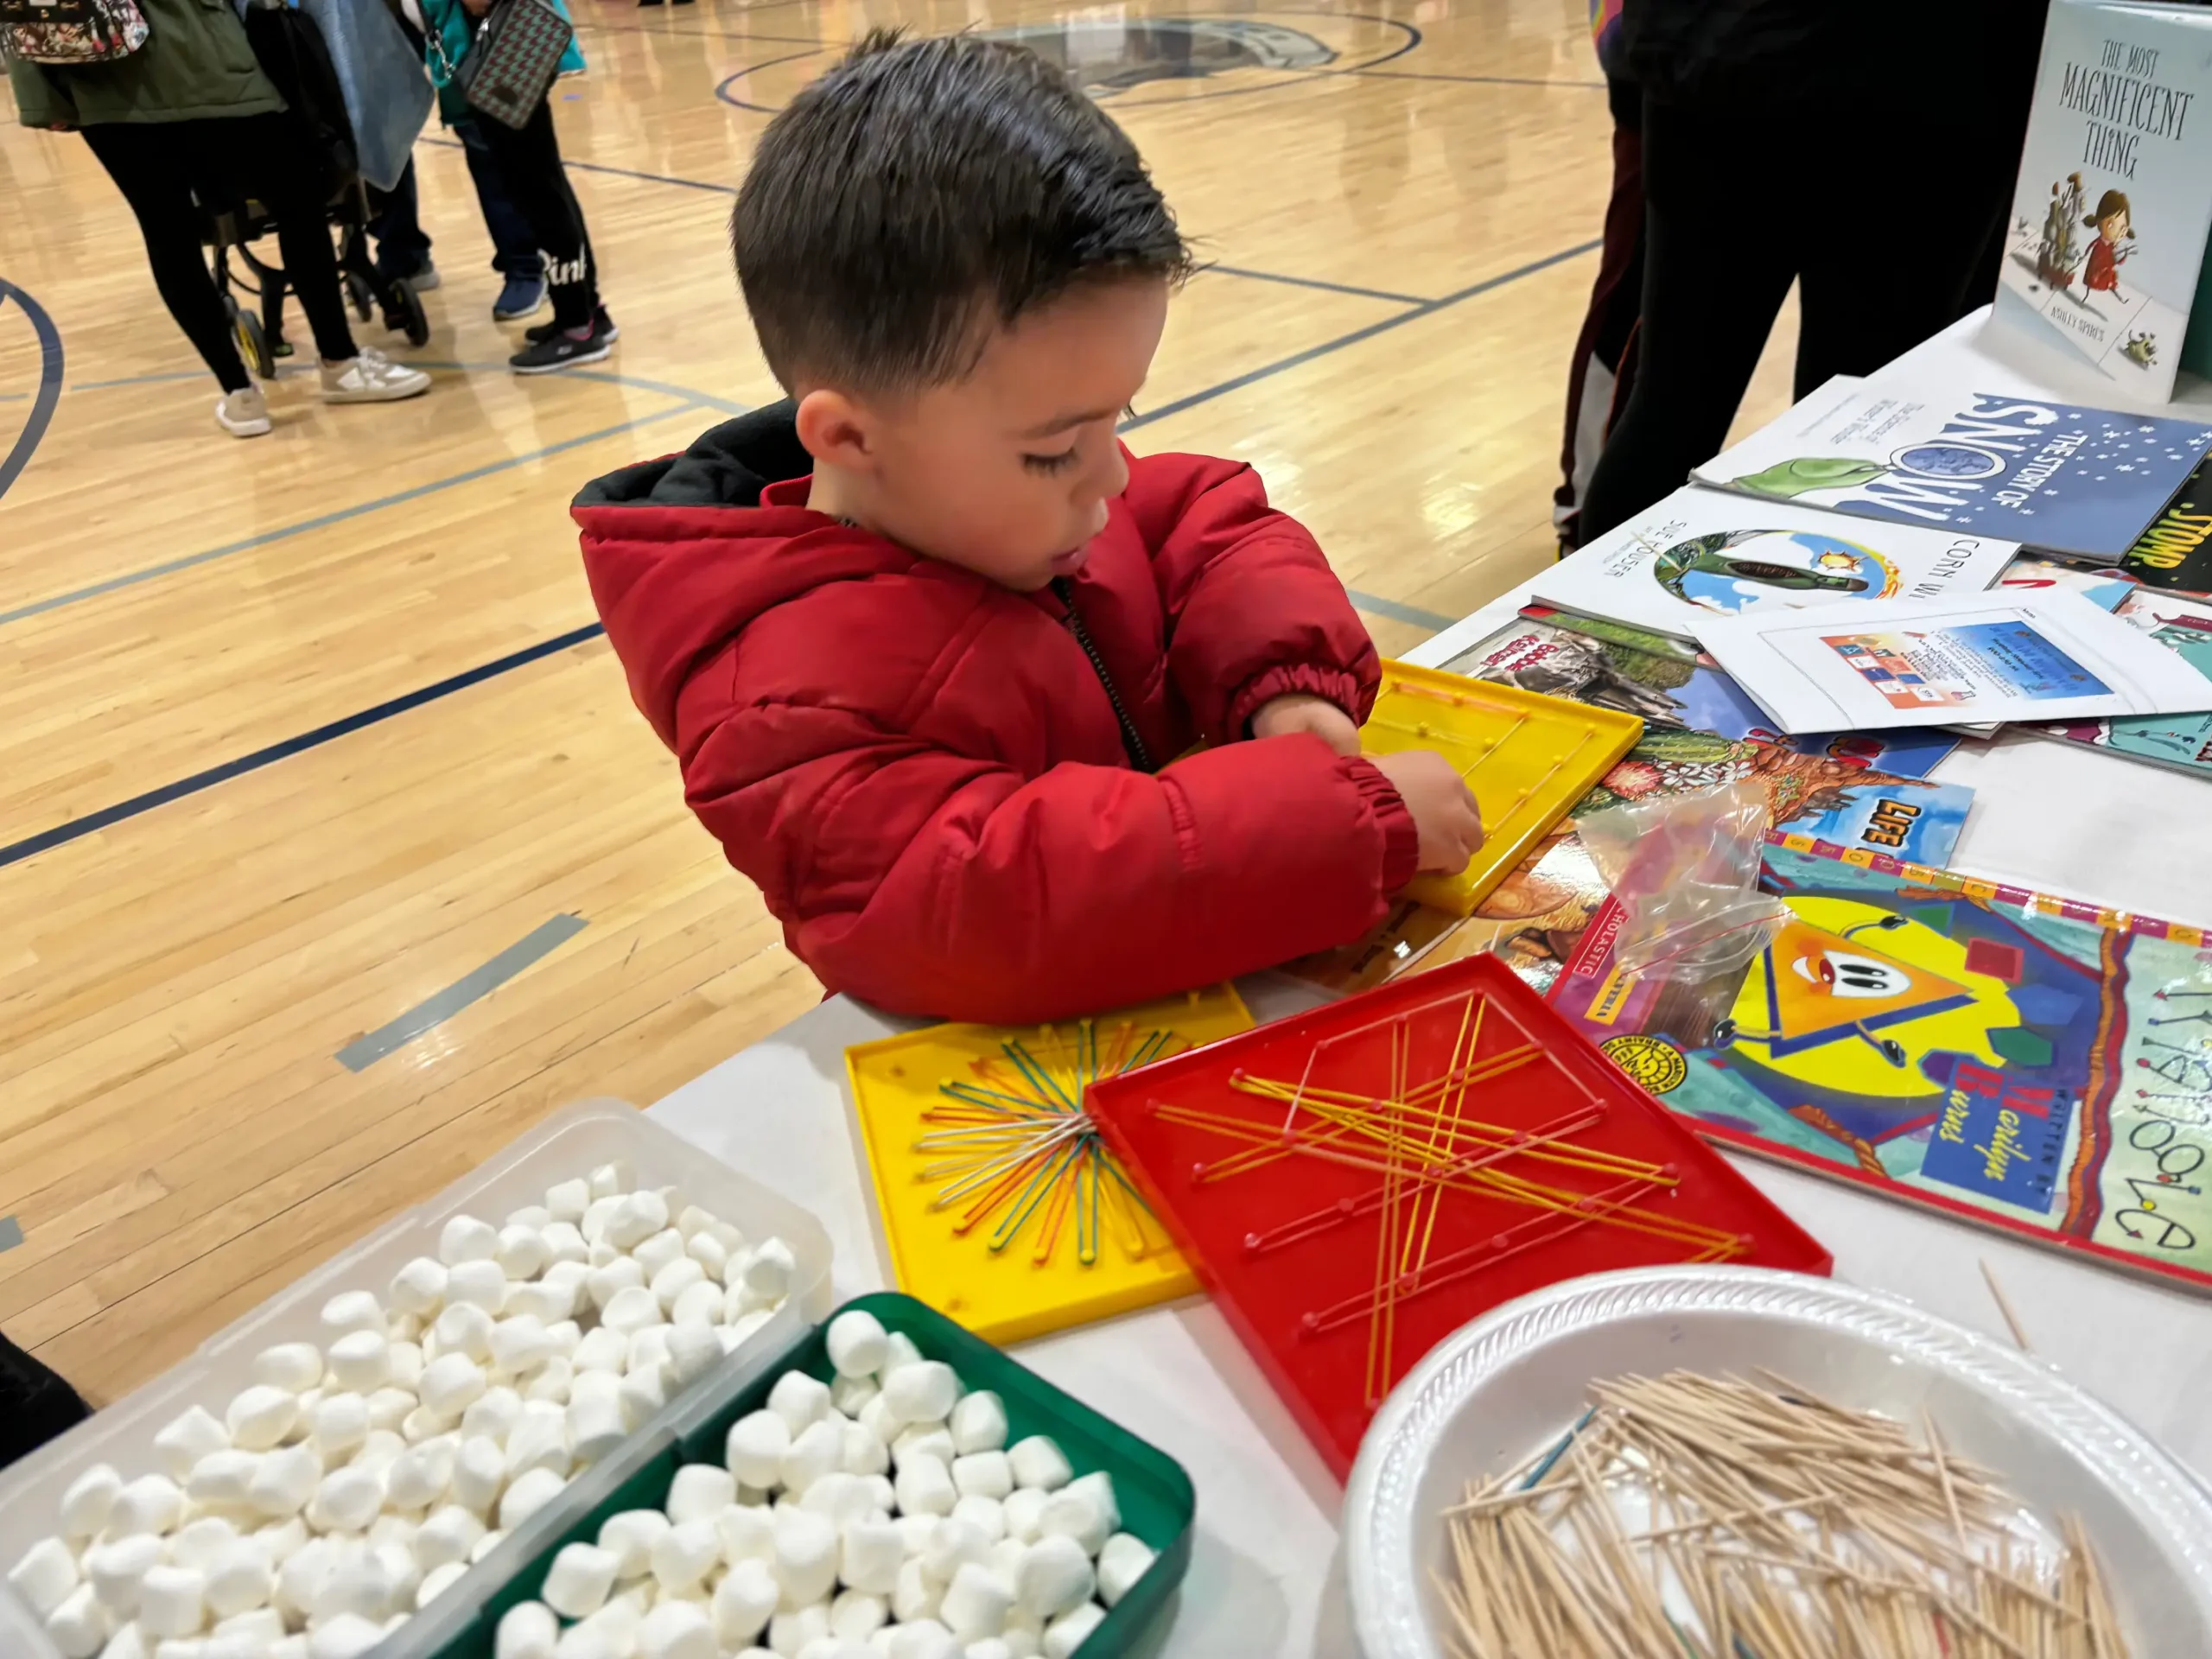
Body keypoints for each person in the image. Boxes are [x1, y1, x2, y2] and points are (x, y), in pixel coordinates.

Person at [574, 31, 1484, 1023]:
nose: (1110, 474)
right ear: (849, 437)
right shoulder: (777, 705)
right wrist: (1351, 829)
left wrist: (1287, 687)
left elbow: (1210, 520)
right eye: (1055, 448)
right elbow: (986, 904)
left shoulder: (1013, 499)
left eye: (1119, 418)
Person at [1574, 0, 2047, 543]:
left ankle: (1582, 624)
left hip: (1721, 59)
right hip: (1924, 82)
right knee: (1854, 426)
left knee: (1677, 406)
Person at [3, 0, 432, 437]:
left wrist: (43, 98)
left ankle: (240, 395)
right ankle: (340, 363)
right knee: (297, 203)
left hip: (100, 82)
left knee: (169, 233)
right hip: (212, 66)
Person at [419, 0, 613, 369]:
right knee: (546, 187)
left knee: (540, 194)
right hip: (504, 51)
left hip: (502, 54)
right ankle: (586, 310)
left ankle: (578, 327)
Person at [2082, 189, 2133, 300]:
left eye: (2124, 228)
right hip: (2097, 271)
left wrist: (2124, 255)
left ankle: (2112, 291)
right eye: (2120, 227)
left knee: (2110, 278)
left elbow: (2116, 260)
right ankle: (2089, 293)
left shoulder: (2112, 247)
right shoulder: (2100, 246)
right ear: (2109, 225)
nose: (2122, 233)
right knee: (2096, 280)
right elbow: (2092, 248)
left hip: (2106, 271)